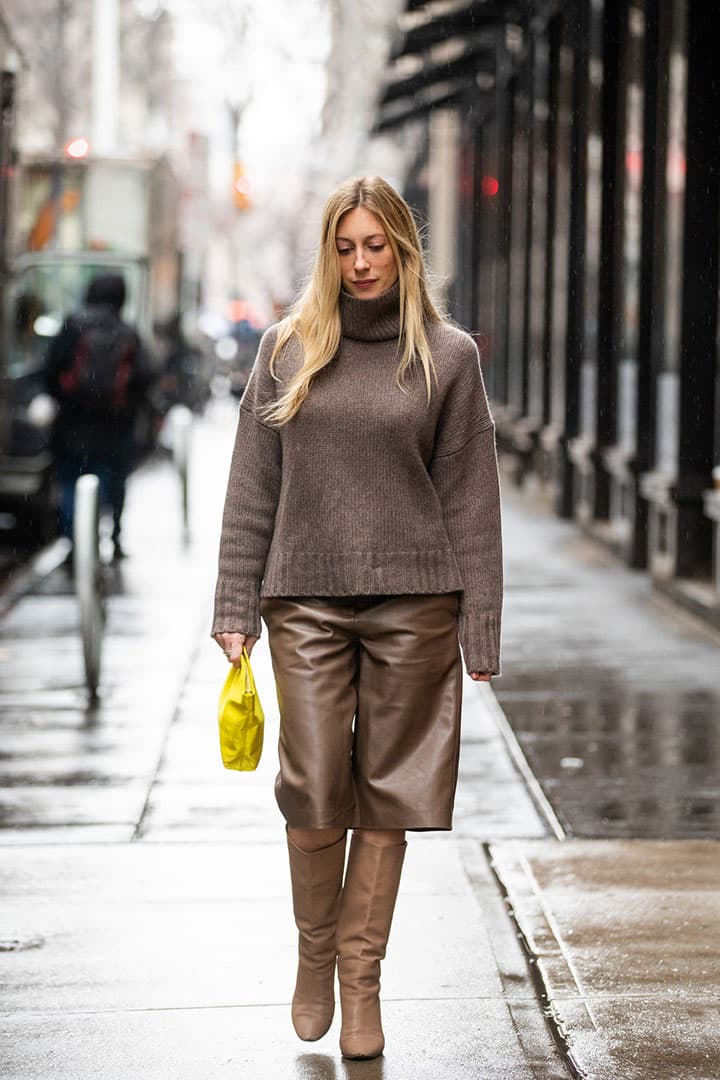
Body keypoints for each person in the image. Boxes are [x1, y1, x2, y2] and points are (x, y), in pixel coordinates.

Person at [212, 176, 503, 1060]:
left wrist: (480, 627)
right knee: (311, 785)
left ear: (405, 251)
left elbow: (471, 499)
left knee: (391, 794)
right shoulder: (286, 349)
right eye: (346, 247)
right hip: (303, 600)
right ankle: (313, 952)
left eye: (377, 246)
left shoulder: (447, 358)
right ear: (328, 255)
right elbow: (252, 486)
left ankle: (360, 976)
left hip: (418, 602)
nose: (361, 262)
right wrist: (235, 605)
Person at [46, 272, 152, 560]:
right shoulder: (128, 332)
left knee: (70, 481)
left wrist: (65, 401)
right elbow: (144, 378)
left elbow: (51, 369)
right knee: (113, 482)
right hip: (115, 426)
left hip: (72, 423)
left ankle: (74, 545)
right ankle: (114, 538)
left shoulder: (72, 325)